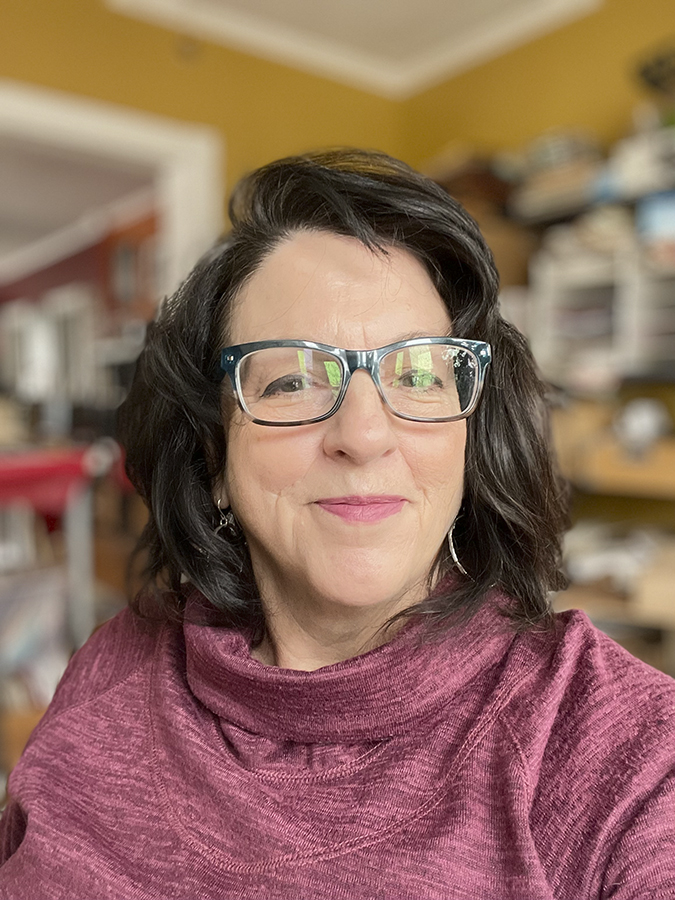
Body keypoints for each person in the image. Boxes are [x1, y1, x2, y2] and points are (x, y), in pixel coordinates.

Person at [1, 149, 673, 899]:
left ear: (470, 438)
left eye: (417, 375)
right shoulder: (114, 662)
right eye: (291, 379)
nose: (363, 434)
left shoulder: (622, 751)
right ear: (215, 453)